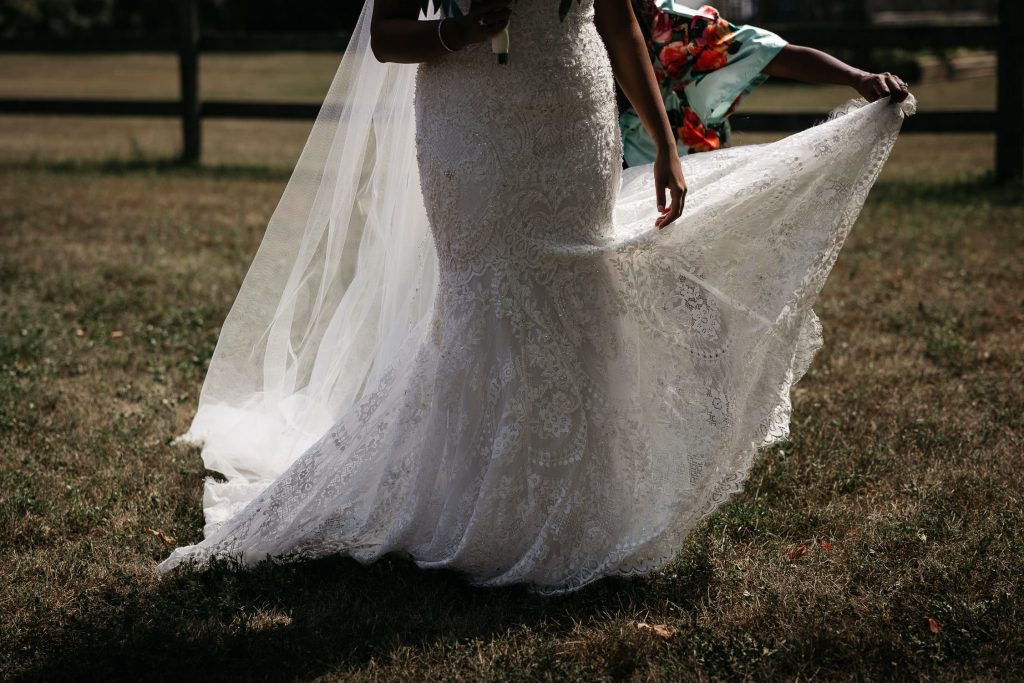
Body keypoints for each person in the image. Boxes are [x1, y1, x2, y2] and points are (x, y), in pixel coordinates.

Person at [156, 0, 914, 595]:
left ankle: (586, 509)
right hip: (467, 120)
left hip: (573, 114)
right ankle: (471, 504)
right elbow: (387, 37)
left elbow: (619, 22)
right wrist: (459, 29)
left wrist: (664, 143)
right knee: (484, 296)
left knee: (578, 290)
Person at [619, 1, 909, 167]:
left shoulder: (680, 30)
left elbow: (775, 54)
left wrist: (858, 78)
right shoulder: (590, 35)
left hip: (680, 172)